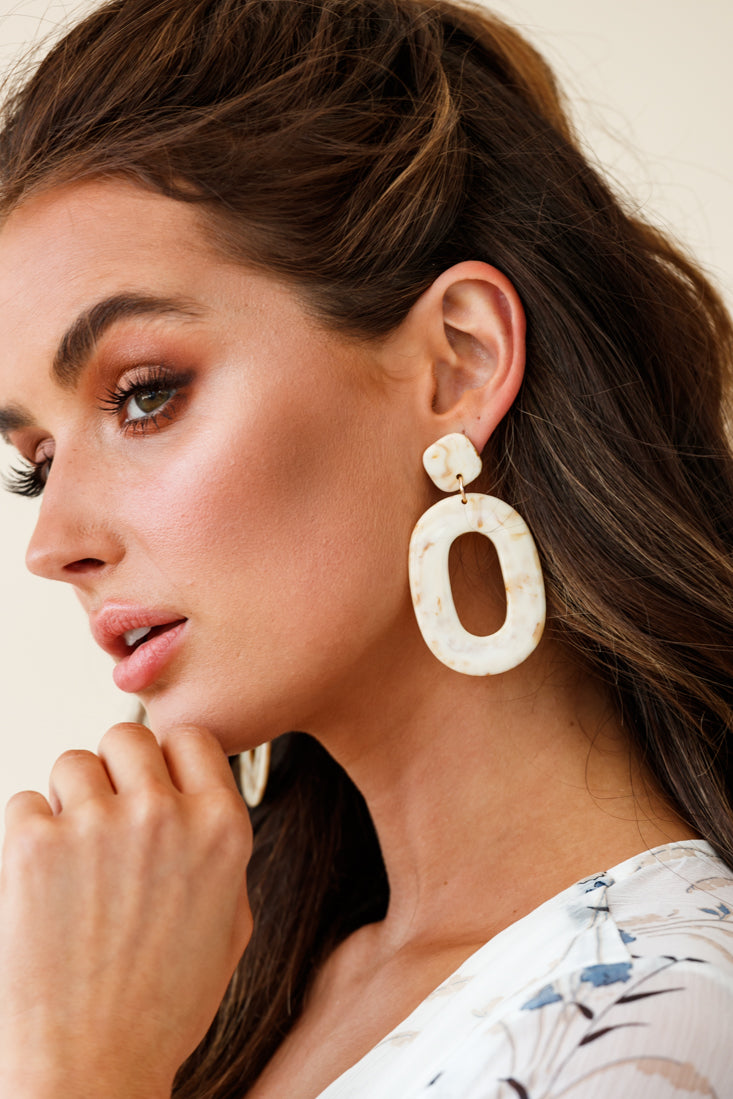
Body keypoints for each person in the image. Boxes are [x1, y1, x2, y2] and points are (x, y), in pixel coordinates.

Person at [0, 0, 731, 1095]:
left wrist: (77, 1070)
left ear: (456, 363)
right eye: (37, 460)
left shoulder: (658, 1017)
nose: (52, 543)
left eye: (144, 395)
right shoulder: (239, 986)